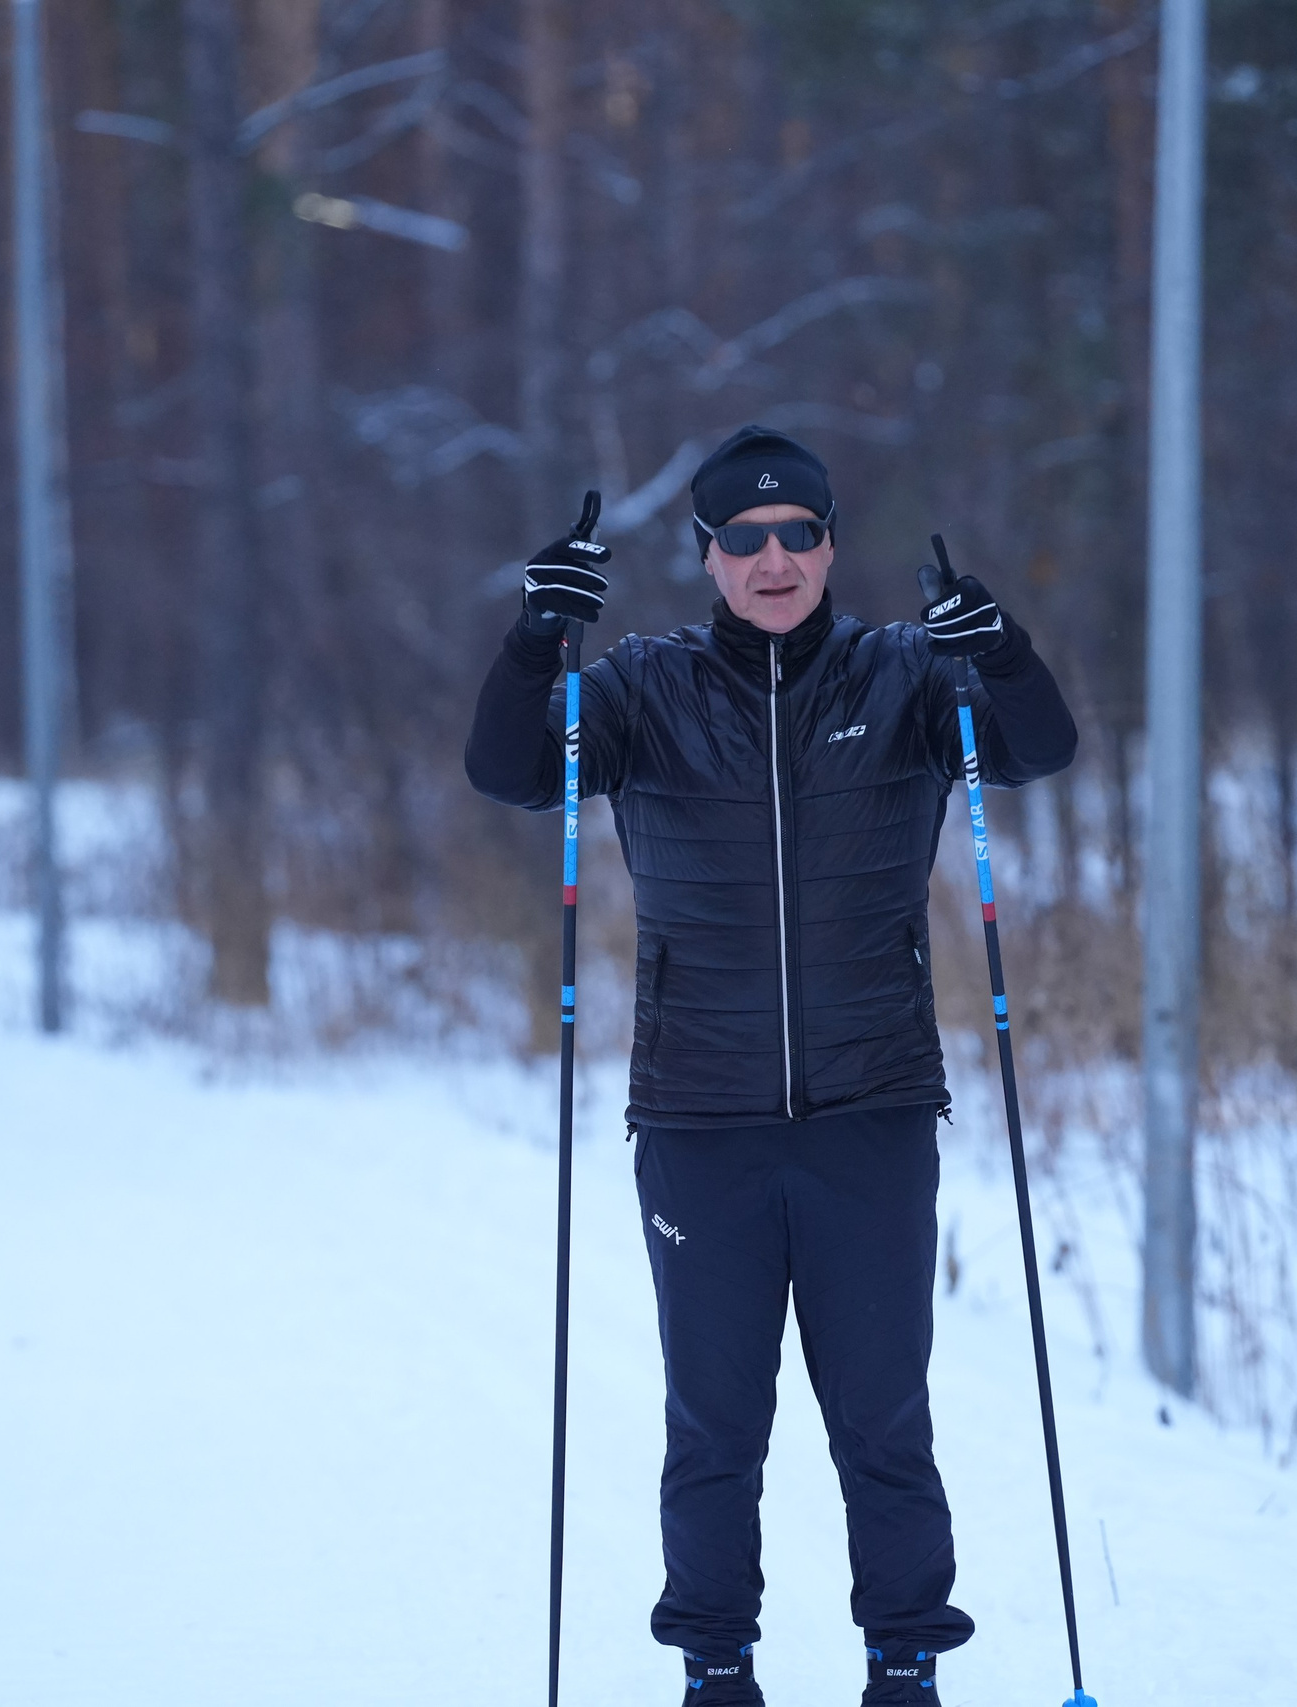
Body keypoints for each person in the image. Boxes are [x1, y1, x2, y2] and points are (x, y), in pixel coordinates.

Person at [464, 425, 1077, 1706]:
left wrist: (1000, 652)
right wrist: (535, 640)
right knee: (714, 1426)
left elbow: (1034, 749)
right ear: (706, 557)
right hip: (700, 1120)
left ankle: (904, 1664)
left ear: (831, 544)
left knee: (882, 1420)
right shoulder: (642, 692)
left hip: (871, 1111)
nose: (773, 558)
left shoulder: (906, 677)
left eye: (797, 531)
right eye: (742, 538)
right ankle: (716, 1668)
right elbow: (509, 771)